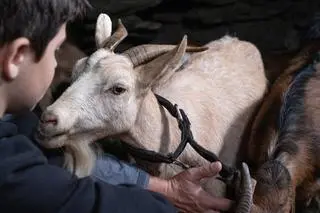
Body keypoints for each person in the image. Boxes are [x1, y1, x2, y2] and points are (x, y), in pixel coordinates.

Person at [0, 0, 233, 212]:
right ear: (17, 56)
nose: (55, 62)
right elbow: (79, 199)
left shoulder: (20, 124)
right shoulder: (16, 176)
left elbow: (65, 160)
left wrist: (164, 188)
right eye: (57, 50)